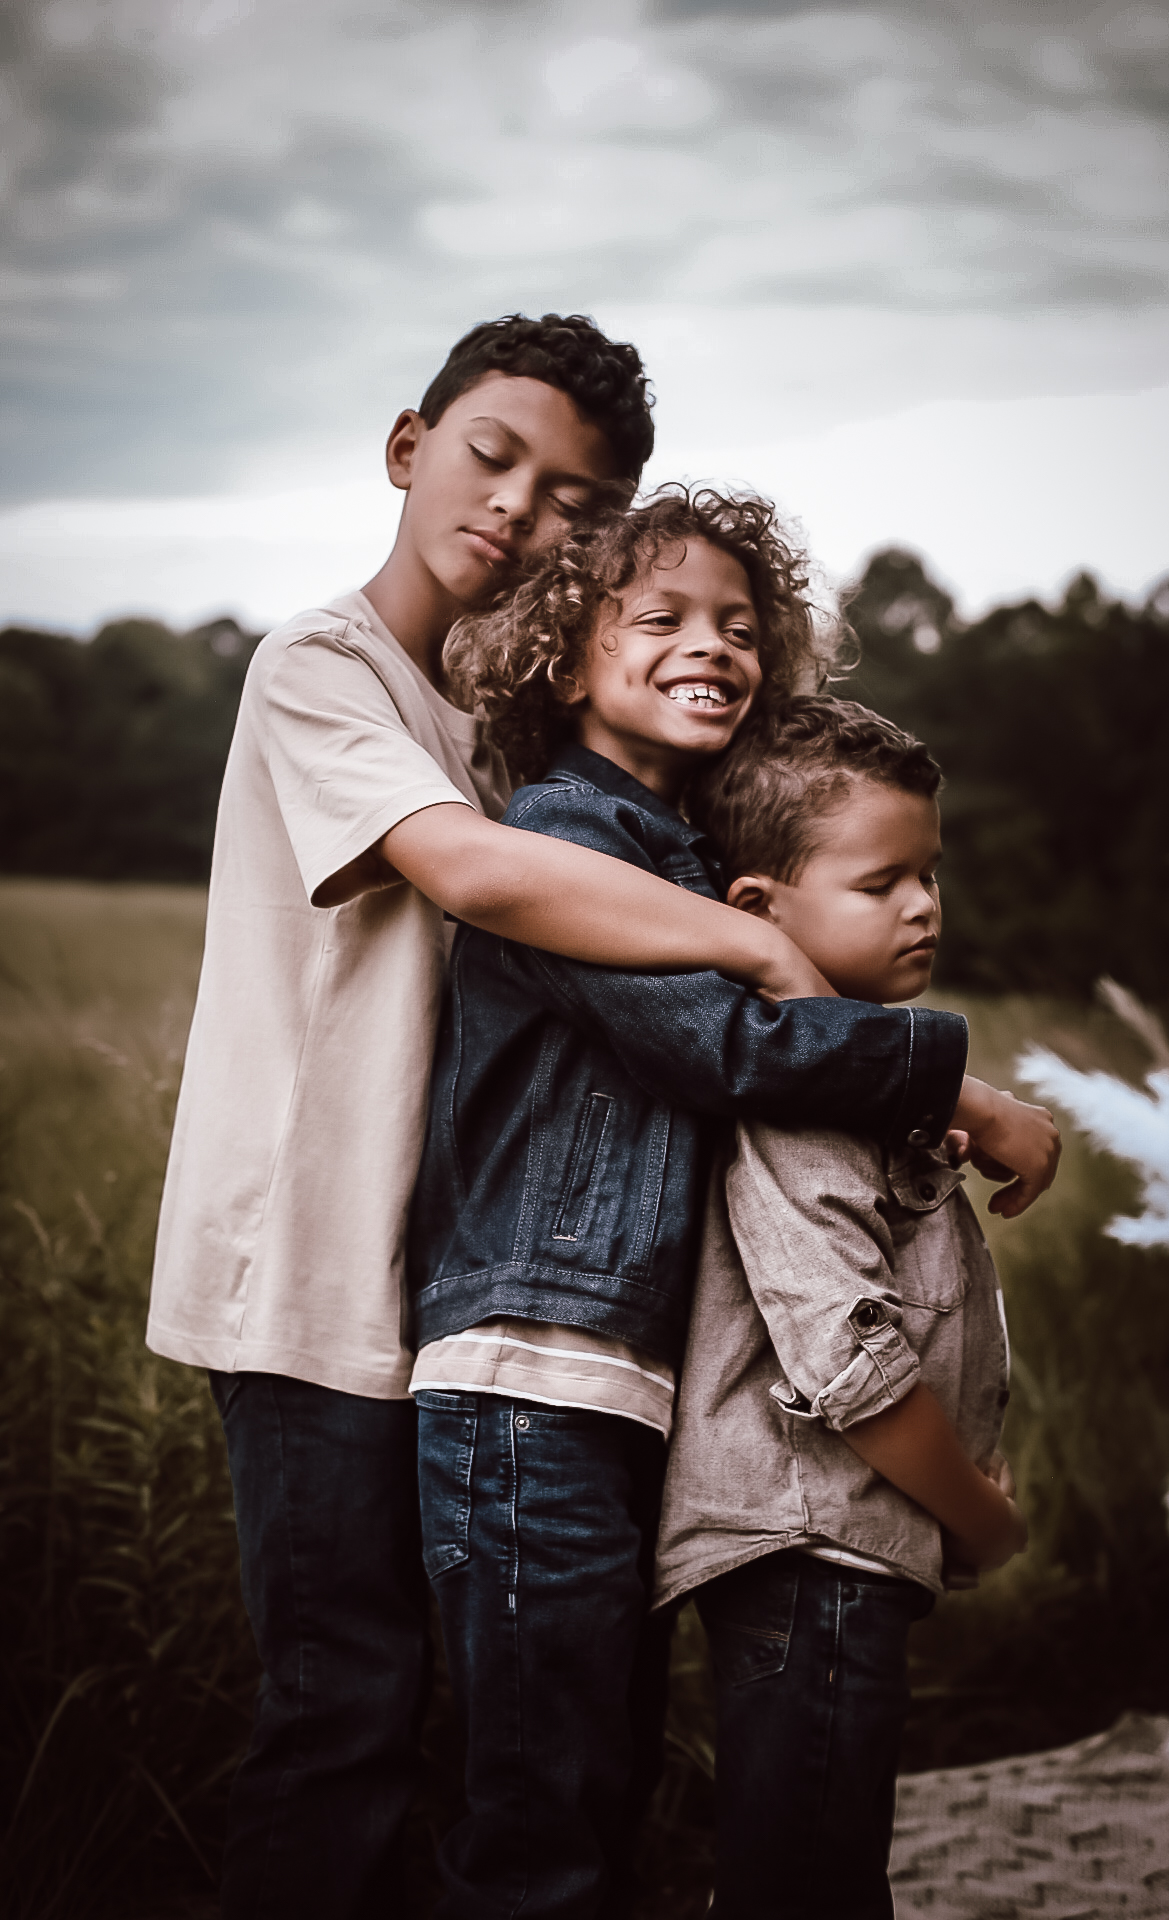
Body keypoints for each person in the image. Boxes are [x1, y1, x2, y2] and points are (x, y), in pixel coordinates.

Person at [145, 315, 847, 1920]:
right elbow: (462, 869)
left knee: (507, 1730)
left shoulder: (518, 726)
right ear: (410, 447)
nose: (523, 512)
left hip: (462, 1282)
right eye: (493, 458)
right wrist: (755, 941)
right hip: (308, 1280)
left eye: (575, 500)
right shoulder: (324, 667)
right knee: (345, 1713)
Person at [407, 492, 1057, 1917]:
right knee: (544, 1815)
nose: (714, 646)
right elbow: (724, 1052)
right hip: (535, 1366)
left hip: (613, 1378)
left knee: (603, 1783)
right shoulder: (571, 834)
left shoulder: (686, 855)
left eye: (742, 626)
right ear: (566, 662)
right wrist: (962, 1087)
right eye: (664, 619)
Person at [655, 694, 1031, 1920]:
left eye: (930, 873)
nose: (924, 904)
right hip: (803, 1550)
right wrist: (976, 1517)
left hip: (839, 1553)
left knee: (819, 1857)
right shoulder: (800, 1102)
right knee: (807, 1877)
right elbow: (851, 1366)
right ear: (759, 910)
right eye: (882, 883)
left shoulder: (863, 1080)